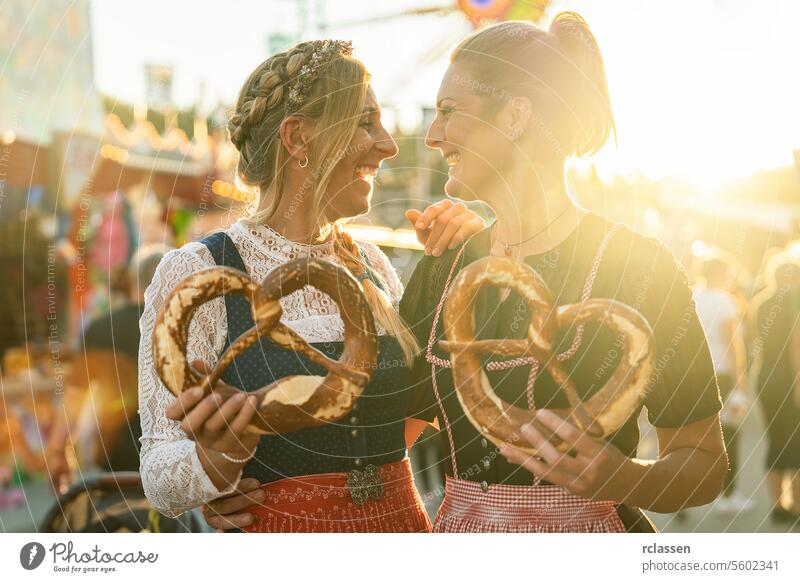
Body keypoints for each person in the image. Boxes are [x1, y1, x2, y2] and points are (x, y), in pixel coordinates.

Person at [398, 12, 727, 532]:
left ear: (514, 116)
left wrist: (624, 478)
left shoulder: (641, 268)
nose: (434, 134)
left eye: (448, 111)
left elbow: (704, 462)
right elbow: (390, 441)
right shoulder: (443, 267)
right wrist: (229, 463)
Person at [138, 39, 483, 533]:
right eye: (366, 122)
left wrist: (465, 256)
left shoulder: (374, 265)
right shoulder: (196, 274)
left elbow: (403, 419)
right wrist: (216, 465)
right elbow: (158, 474)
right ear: (297, 138)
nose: (388, 145)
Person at [46, 245, 169, 494]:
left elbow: (74, 397)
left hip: (117, 467)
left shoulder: (101, 329)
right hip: (175, 463)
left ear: (133, 282)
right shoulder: (185, 328)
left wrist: (60, 451)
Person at [692, 255, 753, 514]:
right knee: (729, 433)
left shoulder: (692, 296)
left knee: (694, 433)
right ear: (721, 273)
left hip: (695, 373)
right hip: (723, 374)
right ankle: (727, 496)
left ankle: (686, 496)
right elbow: (733, 342)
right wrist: (741, 381)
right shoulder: (725, 301)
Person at [750, 255, 800, 525]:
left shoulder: (761, 302)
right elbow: (796, 347)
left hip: (765, 377)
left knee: (775, 438)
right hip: (791, 379)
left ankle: (778, 505)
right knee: (796, 441)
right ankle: (795, 503)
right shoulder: (795, 301)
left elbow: (756, 340)